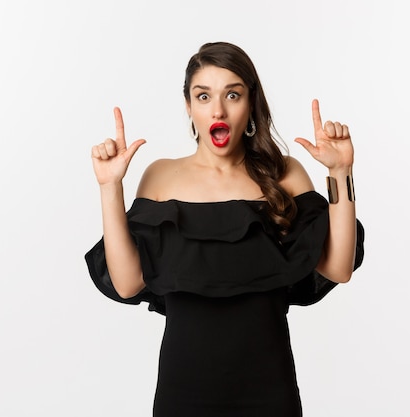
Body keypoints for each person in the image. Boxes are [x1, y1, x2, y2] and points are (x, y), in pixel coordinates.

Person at [85, 41, 364, 417]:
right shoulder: (161, 176)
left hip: (269, 392)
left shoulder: (285, 173)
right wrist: (109, 187)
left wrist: (340, 172)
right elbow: (126, 283)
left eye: (232, 94)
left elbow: (338, 268)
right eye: (203, 96)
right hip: (183, 394)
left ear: (250, 103)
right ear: (189, 107)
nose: (218, 109)